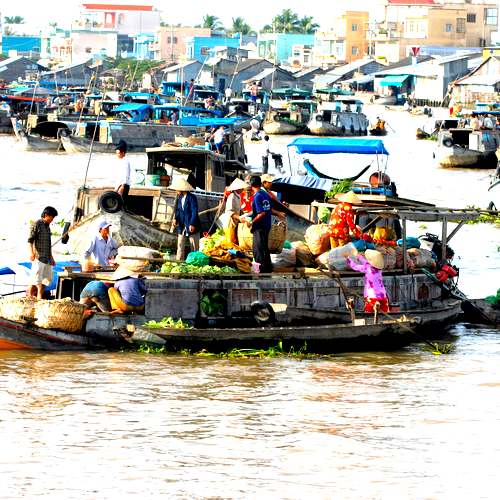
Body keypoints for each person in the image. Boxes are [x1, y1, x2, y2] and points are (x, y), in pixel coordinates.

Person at [27, 206, 58, 299]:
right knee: (36, 280)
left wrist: (52, 258)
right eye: (52, 217)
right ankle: (32, 297)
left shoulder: (48, 227)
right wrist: (31, 253)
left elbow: (49, 244)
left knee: (46, 279)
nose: (52, 219)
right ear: (46, 215)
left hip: (47, 258)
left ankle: (36, 297)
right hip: (38, 257)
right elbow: (30, 241)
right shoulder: (37, 224)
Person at [347, 249, 389, 313]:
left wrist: (348, 258)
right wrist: (359, 256)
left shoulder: (367, 268)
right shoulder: (379, 269)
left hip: (372, 296)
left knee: (369, 313)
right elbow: (366, 262)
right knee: (385, 313)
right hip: (383, 295)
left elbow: (354, 266)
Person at [246, 175, 272, 273]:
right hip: (267, 225)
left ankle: (260, 269)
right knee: (264, 247)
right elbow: (268, 209)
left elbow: (261, 213)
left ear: (251, 185)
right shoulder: (265, 194)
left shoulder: (257, 196)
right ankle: (268, 268)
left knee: (258, 249)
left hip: (259, 226)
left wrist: (251, 222)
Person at [171, 178, 201, 261]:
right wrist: (175, 219)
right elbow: (178, 210)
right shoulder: (180, 198)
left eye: (177, 189)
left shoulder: (192, 198)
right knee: (180, 245)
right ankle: (179, 262)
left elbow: (194, 211)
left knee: (194, 246)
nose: (176, 191)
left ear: (182, 189)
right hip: (182, 225)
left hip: (192, 225)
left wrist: (192, 223)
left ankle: (195, 263)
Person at [222, 178, 248, 244]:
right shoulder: (232, 196)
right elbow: (229, 211)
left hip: (235, 222)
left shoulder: (238, 196)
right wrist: (239, 217)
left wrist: (243, 213)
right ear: (237, 188)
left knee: (235, 241)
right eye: (241, 188)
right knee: (230, 241)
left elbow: (239, 208)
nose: (242, 190)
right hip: (230, 222)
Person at [115, 141, 131, 209]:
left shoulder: (125, 162)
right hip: (120, 185)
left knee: (122, 202)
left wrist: (122, 186)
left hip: (124, 185)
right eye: (116, 153)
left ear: (123, 153)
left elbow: (125, 174)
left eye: (118, 153)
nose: (117, 155)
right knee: (118, 201)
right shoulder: (121, 161)